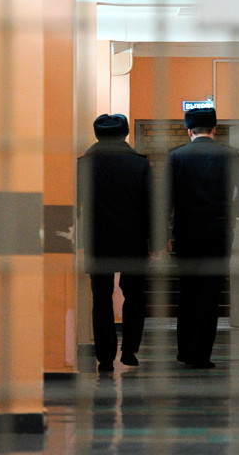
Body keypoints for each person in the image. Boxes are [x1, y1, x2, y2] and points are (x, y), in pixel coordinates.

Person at [164, 107, 239, 369]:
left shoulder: (176, 156)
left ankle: (184, 351)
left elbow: (164, 199)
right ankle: (201, 355)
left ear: (188, 130)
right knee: (210, 293)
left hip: (186, 233)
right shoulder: (230, 155)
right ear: (214, 129)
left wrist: (164, 235)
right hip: (218, 232)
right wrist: (229, 213)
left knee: (188, 292)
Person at [77, 113, 153, 372]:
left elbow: (78, 205)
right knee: (134, 296)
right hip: (133, 240)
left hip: (97, 239)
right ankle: (130, 351)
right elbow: (151, 205)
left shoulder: (84, 164)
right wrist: (156, 243)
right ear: (125, 134)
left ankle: (105, 356)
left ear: (97, 135)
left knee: (101, 297)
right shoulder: (139, 164)